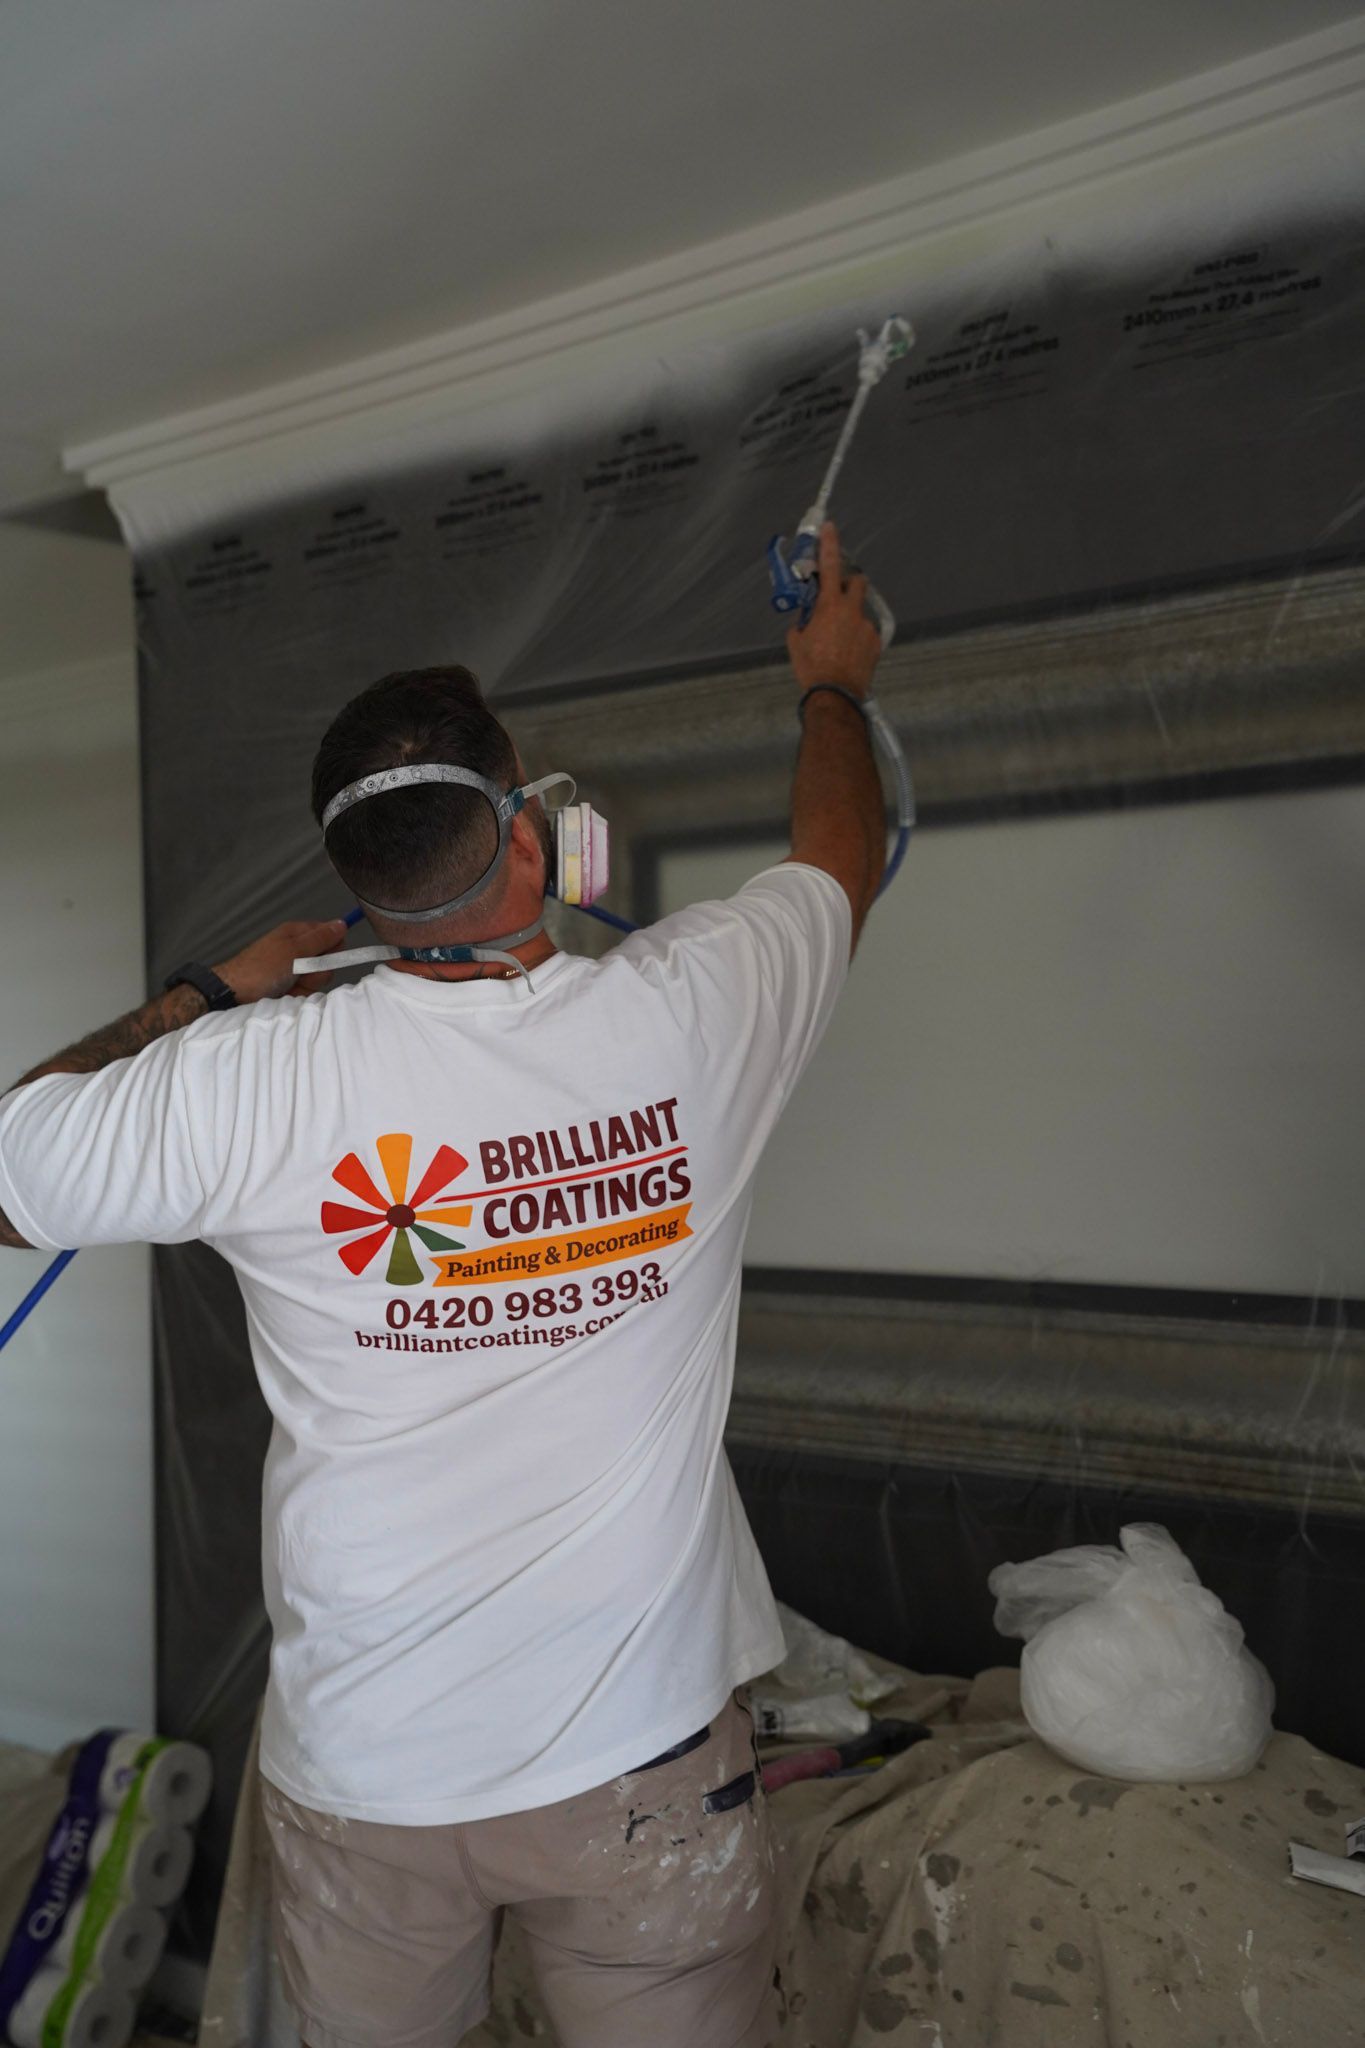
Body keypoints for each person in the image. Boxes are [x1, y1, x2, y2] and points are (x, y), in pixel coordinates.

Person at [0, 523, 886, 2048]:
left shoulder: (249, 1076)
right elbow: (835, 864)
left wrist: (205, 994)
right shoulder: (693, 1016)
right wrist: (828, 683)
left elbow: (13, 1173)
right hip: (638, 1769)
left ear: (355, 876)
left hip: (371, 1773)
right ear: (525, 836)